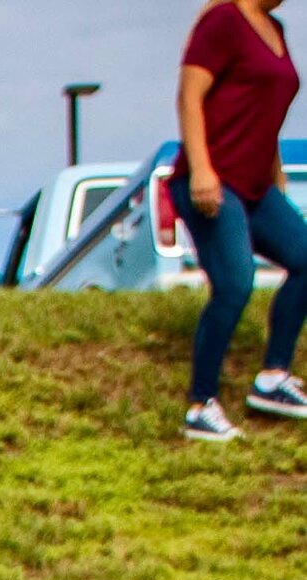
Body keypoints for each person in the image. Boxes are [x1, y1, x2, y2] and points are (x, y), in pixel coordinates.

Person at [175, 0, 307, 440]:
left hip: (254, 185)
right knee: (235, 283)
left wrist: (276, 174)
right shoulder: (223, 19)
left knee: (306, 259)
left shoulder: (275, 29)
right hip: (212, 180)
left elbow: (263, 113)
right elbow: (189, 98)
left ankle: (272, 379)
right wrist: (202, 171)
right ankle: (200, 405)